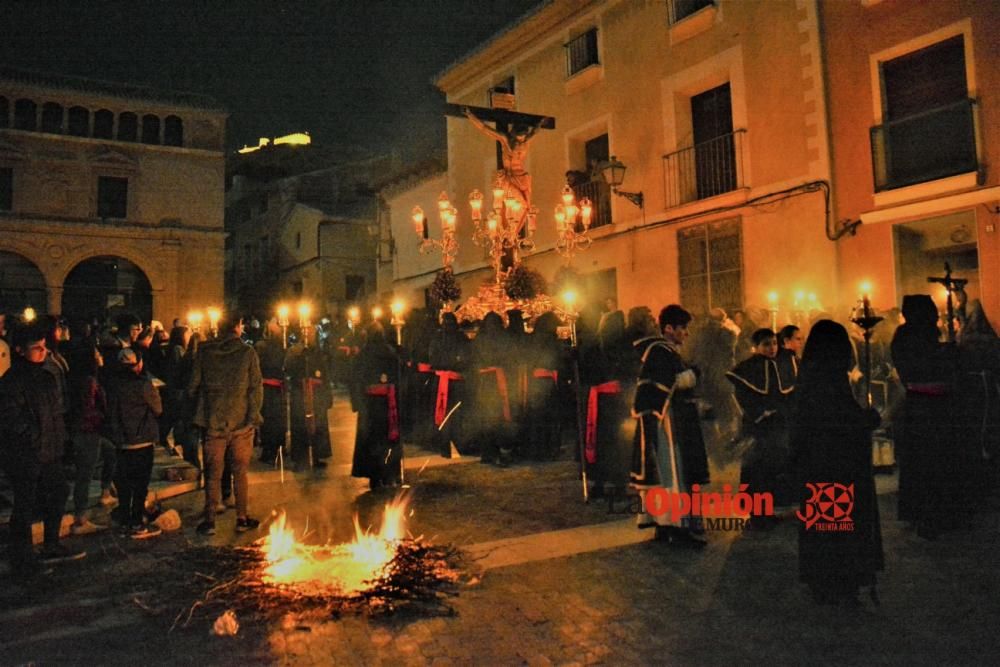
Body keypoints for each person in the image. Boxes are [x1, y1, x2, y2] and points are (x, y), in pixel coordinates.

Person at [791, 319, 883, 605]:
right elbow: (841, 419)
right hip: (838, 464)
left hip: (818, 463)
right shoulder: (829, 379)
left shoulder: (810, 376)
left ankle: (824, 580)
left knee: (826, 523)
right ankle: (839, 582)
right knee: (838, 524)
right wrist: (869, 418)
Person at [0, 323, 86, 574]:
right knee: (24, 504)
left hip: (51, 451)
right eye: (36, 348)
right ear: (19, 350)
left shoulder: (47, 377)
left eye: (44, 347)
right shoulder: (12, 382)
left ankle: (51, 543)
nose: (43, 351)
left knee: (58, 492)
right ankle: (22, 558)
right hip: (25, 454)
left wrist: (62, 442)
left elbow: (56, 413)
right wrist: (34, 439)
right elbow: (11, 418)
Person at [630, 305, 710, 547]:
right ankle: (677, 528)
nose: (686, 333)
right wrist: (692, 375)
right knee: (671, 475)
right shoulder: (660, 351)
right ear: (668, 328)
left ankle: (665, 527)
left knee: (668, 475)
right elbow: (667, 383)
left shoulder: (666, 350)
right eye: (683, 328)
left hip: (671, 420)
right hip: (666, 424)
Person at [890, 294, 959, 539]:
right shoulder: (911, 336)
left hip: (923, 405)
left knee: (923, 463)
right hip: (926, 406)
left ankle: (922, 513)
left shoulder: (911, 334)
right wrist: (947, 354)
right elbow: (921, 366)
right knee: (930, 463)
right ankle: (930, 517)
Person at [187, 315, 263, 536]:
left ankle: (210, 520)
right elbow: (256, 389)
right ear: (238, 327)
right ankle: (241, 517)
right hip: (241, 424)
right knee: (240, 472)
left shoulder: (204, 351)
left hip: (213, 422)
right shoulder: (248, 353)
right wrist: (252, 416)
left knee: (213, 473)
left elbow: (193, 385)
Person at [727, 328, 796, 519]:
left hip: (778, 424)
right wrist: (760, 412)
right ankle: (757, 512)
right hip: (758, 426)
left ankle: (772, 507)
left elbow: (789, 392)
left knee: (775, 466)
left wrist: (785, 410)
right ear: (756, 347)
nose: (772, 348)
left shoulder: (784, 363)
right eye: (766, 344)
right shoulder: (747, 368)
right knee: (757, 468)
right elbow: (741, 395)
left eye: (774, 343)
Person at [105, 348, 163, 539]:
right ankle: (137, 522)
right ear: (137, 364)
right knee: (140, 484)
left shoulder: (112, 386)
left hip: (121, 442)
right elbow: (158, 409)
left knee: (124, 484)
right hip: (142, 441)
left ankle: (124, 520)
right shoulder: (144, 385)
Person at [66, 343, 115, 535]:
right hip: (88, 432)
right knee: (84, 476)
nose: (100, 356)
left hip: (86, 431)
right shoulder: (89, 382)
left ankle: (105, 491)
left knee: (110, 452)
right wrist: (104, 418)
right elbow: (88, 409)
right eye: (97, 354)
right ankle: (80, 518)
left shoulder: (80, 379)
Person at [350, 322, 402, 489]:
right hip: (387, 404)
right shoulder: (390, 353)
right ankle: (389, 473)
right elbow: (398, 378)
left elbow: (355, 380)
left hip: (369, 405)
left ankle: (374, 475)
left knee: (372, 439)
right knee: (387, 438)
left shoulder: (363, 354)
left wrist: (357, 403)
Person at [471, 311, 514, 465]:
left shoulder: (480, 338)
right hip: (500, 380)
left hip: (485, 381)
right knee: (501, 416)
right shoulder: (504, 337)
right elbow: (511, 358)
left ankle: (488, 452)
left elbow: (472, 358)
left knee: (487, 417)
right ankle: (503, 452)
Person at [524, 311, 564, 461]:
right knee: (550, 418)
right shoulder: (552, 341)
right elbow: (558, 361)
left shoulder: (533, 339)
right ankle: (549, 449)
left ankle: (535, 450)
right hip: (548, 382)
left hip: (534, 381)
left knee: (536, 417)